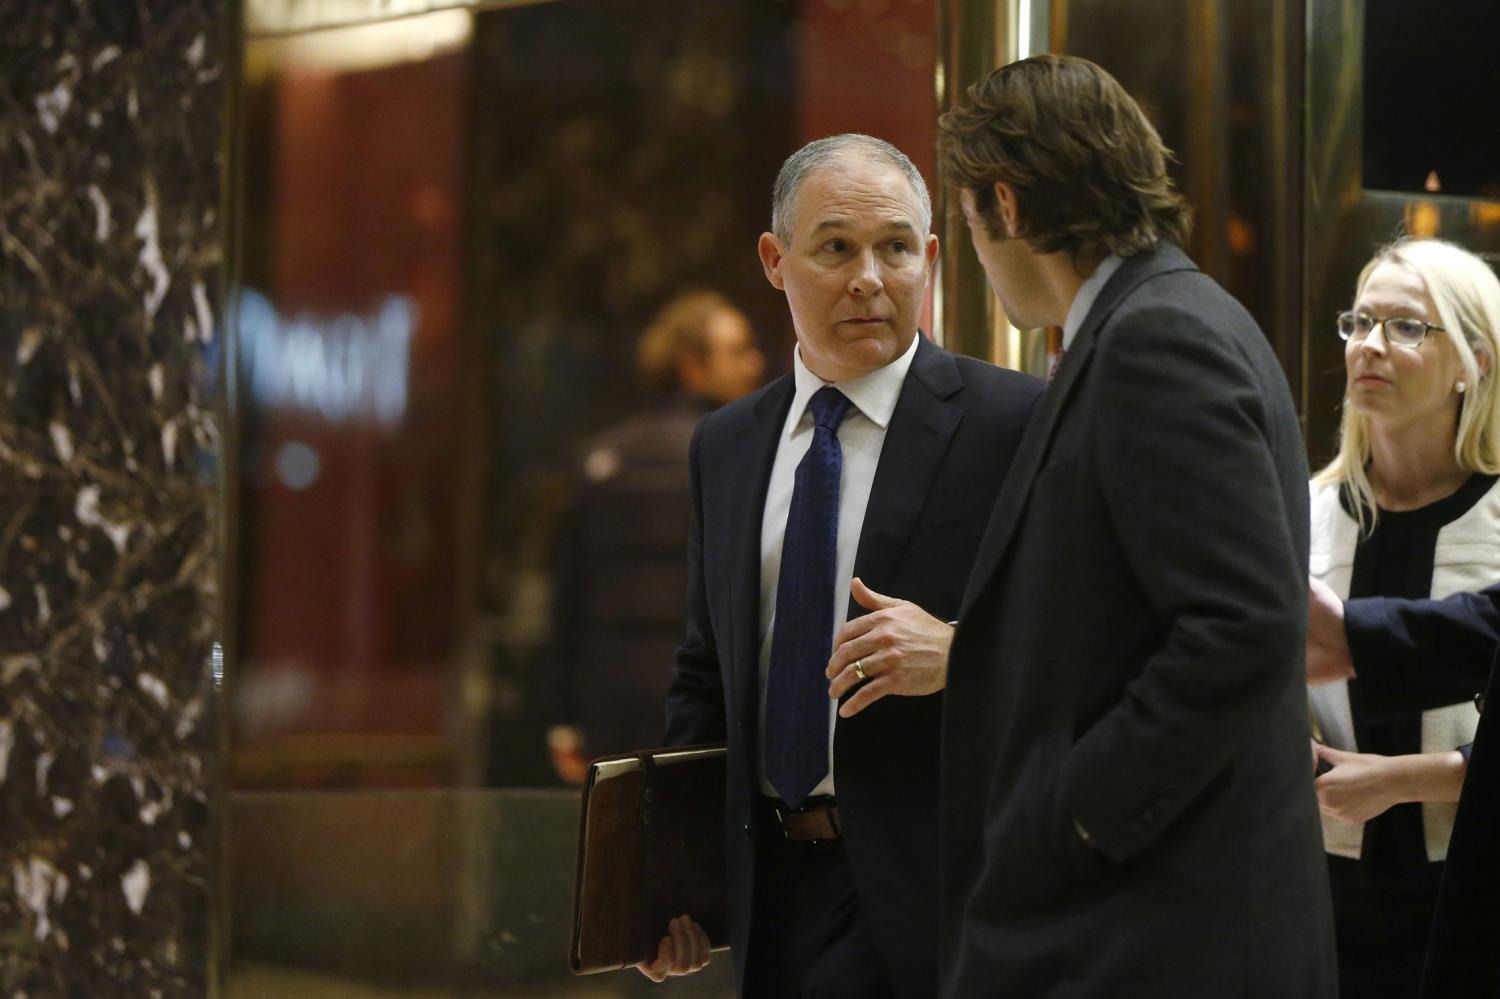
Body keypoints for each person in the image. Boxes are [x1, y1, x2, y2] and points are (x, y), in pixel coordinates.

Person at [932, 54, 1335, 996]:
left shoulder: (1160, 334)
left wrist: (1070, 818)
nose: (976, 256)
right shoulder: (1157, 318)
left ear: (1009, 205)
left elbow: (1241, 627)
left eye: (968, 225)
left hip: (1156, 928)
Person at [643, 134, 1043, 996]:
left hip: (940, 896)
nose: (869, 276)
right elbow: (706, 673)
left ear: (931, 259)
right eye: (835, 248)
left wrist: (961, 651)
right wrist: (673, 881)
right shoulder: (726, 444)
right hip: (772, 892)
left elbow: (1093, 639)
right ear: (774, 260)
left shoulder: (1015, 421)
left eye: (896, 247)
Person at [1302, 237, 1500, 997]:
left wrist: (1403, 781)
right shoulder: (1307, 513)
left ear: (1474, 361)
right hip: (1322, 891)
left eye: (1407, 326)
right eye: (1359, 322)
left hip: (1467, 884)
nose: (1370, 346)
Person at [547, 291, 765, 783]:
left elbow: (566, 599)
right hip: (704, 708)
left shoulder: (601, 459)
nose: (755, 365)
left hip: (607, 703)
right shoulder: (743, 457)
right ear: (692, 365)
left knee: (616, 850)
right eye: (738, 351)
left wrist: (564, 717)